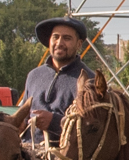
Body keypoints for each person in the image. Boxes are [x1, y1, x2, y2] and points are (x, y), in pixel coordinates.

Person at [23, 16, 94, 150]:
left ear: (79, 44)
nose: (59, 43)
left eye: (67, 38)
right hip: (28, 152)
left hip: (65, 156)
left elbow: (91, 129)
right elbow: (24, 116)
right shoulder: (34, 75)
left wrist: (54, 122)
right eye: (55, 37)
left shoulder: (88, 80)